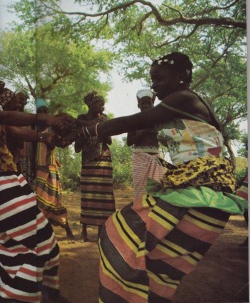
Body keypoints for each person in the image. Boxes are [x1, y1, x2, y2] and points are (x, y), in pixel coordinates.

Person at [62, 52, 247, 303]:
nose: (154, 86)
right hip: (198, 195)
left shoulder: (184, 98)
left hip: (200, 195)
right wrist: (80, 124)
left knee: (116, 235)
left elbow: (136, 121)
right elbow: (136, 127)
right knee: (159, 270)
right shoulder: (180, 106)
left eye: (159, 79)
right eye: (152, 80)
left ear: (182, 77)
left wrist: (85, 129)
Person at [0, 85, 76, 302]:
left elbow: (10, 127)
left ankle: (48, 295)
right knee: (34, 246)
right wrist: (47, 120)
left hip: (10, 178)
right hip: (5, 184)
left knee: (44, 244)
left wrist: (45, 138)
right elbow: (5, 117)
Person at [74, 91, 116, 242]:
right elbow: (77, 145)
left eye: (103, 104)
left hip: (103, 159)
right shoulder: (81, 119)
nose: (103, 107)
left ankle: (100, 231)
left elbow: (109, 141)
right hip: (87, 161)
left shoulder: (104, 118)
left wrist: (102, 126)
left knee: (103, 195)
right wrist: (86, 132)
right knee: (88, 195)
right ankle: (84, 230)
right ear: (91, 105)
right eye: (100, 103)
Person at [34, 98, 75, 240]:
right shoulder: (32, 129)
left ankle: (67, 229)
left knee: (53, 201)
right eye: (40, 112)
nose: (44, 114)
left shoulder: (52, 129)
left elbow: (61, 143)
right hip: (38, 170)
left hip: (50, 170)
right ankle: (41, 234)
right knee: (39, 202)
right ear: (37, 113)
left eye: (46, 111)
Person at [127, 89, 164, 199]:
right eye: (143, 103)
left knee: (157, 189)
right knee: (141, 189)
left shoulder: (158, 120)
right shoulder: (133, 120)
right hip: (140, 158)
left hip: (155, 158)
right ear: (139, 105)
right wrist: (145, 131)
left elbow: (164, 139)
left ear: (153, 104)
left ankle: (153, 215)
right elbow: (129, 142)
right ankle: (140, 212)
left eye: (149, 103)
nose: (147, 105)